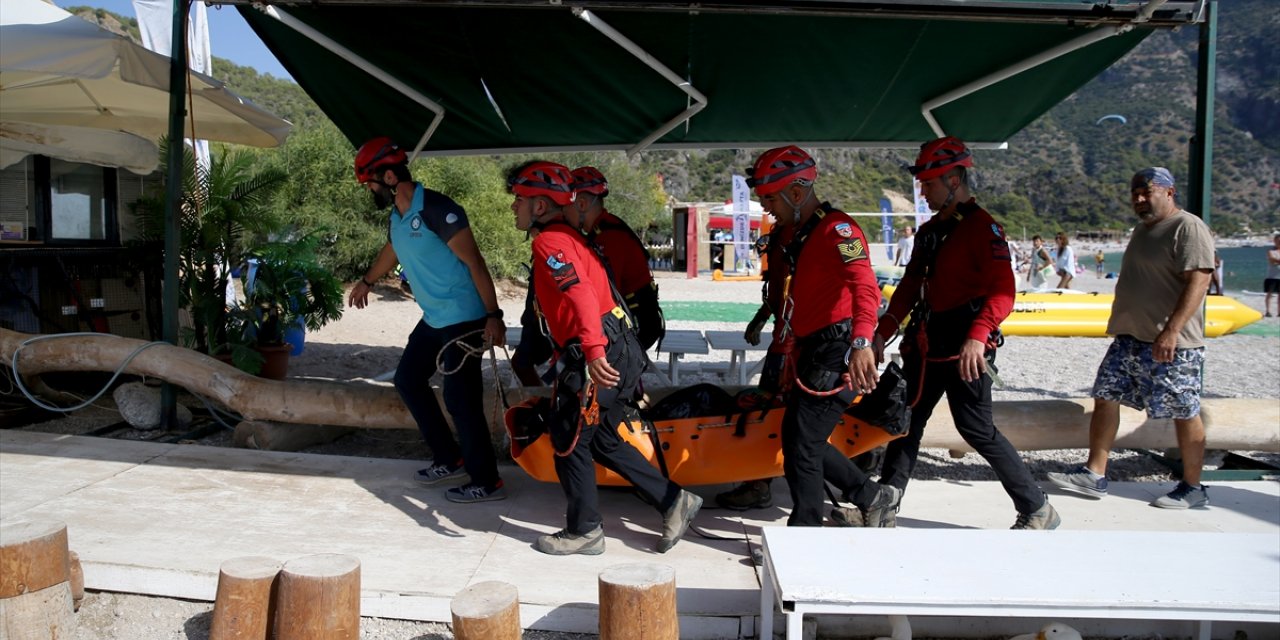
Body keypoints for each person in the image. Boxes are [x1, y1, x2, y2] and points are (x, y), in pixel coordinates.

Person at [507, 160, 701, 555]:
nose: (514, 208)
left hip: (598, 350)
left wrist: (593, 352)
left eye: (519, 200)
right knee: (604, 439)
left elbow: (577, 293)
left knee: (571, 438)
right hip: (621, 346)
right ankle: (674, 501)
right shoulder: (573, 236)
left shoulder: (550, 242)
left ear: (540, 206)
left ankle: (585, 531)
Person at [872, 136, 1060, 530]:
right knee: (906, 421)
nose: (923, 191)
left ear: (955, 180)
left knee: (975, 428)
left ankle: (1037, 508)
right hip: (927, 343)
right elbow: (908, 288)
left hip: (965, 348)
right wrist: (881, 332)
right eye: (922, 183)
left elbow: (1004, 291)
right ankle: (882, 506)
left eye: (930, 183)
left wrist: (979, 334)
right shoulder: (928, 233)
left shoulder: (982, 229)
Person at [744, 145, 899, 528]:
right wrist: (769, 317)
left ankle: (807, 529)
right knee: (799, 436)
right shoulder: (795, 232)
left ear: (796, 193)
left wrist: (862, 343)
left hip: (839, 348)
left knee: (803, 442)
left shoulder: (839, 230)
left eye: (769, 199)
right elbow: (791, 288)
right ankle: (871, 496)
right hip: (811, 347)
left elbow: (866, 287)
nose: (766, 208)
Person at [347, 137, 506, 503]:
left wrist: (493, 316)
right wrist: (368, 280)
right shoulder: (397, 217)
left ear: (389, 177)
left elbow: (475, 264)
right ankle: (450, 458)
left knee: (460, 398)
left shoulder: (439, 209)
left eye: (370, 182)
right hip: (434, 318)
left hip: (465, 317)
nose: (369, 189)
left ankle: (487, 480)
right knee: (408, 379)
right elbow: (393, 249)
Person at [1048, 167, 1216, 509]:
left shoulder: (1188, 227)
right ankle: (1095, 473)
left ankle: (1194, 486)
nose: (1139, 199)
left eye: (1147, 192)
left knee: (1184, 410)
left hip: (1173, 343)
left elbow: (1199, 282)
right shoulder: (1143, 229)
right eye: (1135, 194)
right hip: (1130, 338)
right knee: (1105, 395)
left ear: (1169, 192)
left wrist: (1171, 331)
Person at [712, 217, 796, 511]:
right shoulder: (784, 233)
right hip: (783, 345)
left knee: (771, 416)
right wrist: (760, 319)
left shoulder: (805, 235)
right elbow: (777, 291)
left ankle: (760, 485)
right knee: (768, 413)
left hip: (794, 351)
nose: (770, 208)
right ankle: (760, 481)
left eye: (771, 199)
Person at [570, 166, 665, 351]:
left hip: (636, 324)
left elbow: (606, 292)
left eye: (566, 206)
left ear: (581, 204)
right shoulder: (605, 228)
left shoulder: (608, 237)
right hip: (632, 319)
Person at [1267, 234, 1280, 317]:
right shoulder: (1271, 251)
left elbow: (1275, 261)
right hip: (1272, 276)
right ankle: (1268, 311)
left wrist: (1277, 260)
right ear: (1274, 241)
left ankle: (1279, 312)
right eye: (1278, 240)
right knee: (1269, 294)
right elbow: (1272, 260)